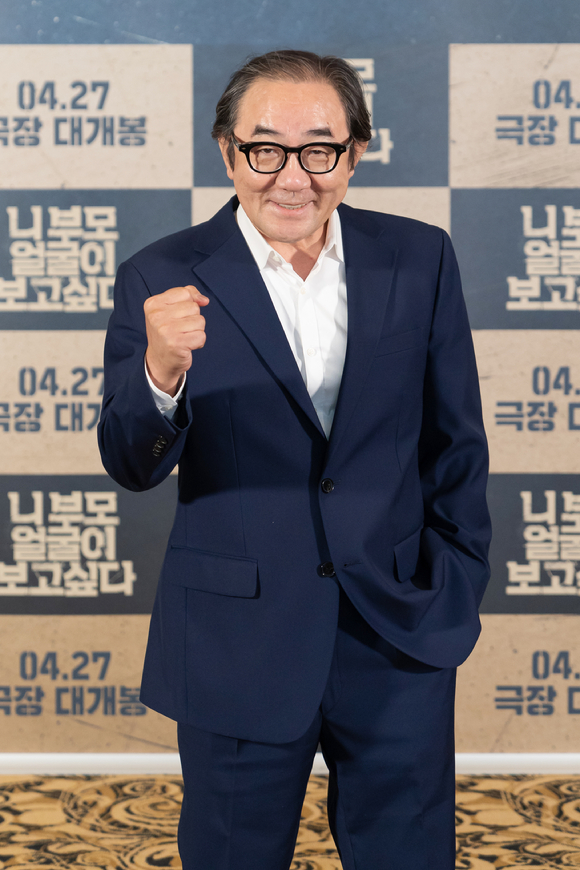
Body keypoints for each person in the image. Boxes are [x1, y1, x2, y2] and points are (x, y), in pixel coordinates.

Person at [98, 49, 491, 870]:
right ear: (227, 151)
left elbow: (455, 443)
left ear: (355, 152)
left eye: (319, 150)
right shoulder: (160, 275)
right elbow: (132, 464)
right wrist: (160, 372)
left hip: (399, 629)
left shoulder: (419, 258)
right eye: (264, 150)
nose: (291, 177)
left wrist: (453, 584)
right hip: (237, 638)